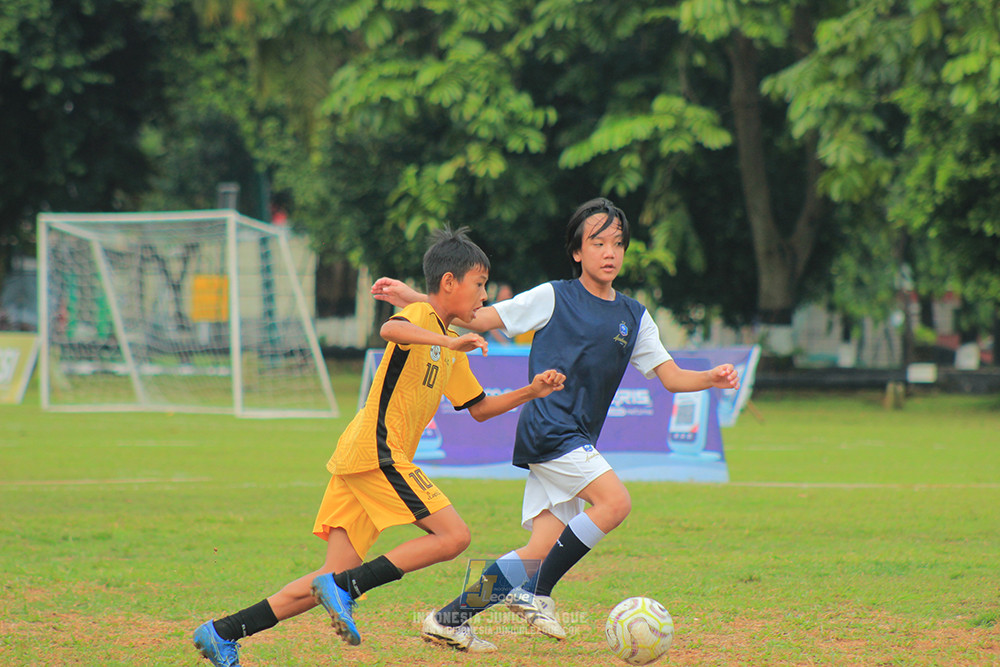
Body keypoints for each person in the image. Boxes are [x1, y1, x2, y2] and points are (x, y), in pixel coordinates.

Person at [371, 197, 740, 652]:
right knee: (615, 502)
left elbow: (671, 377)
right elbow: (476, 317)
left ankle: (448, 618)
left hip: (574, 437)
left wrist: (711, 377)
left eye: (618, 243)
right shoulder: (552, 296)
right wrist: (413, 296)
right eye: (598, 242)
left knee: (537, 550)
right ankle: (537, 592)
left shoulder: (633, 316)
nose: (609, 252)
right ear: (577, 252)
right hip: (550, 429)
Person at [193, 227, 566, 666]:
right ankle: (349, 588)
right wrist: (447, 338)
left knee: (326, 578)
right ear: (449, 283)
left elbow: (480, 408)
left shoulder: (449, 341)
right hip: (377, 451)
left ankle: (223, 632)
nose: (483, 296)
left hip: (361, 458)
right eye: (479, 284)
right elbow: (392, 328)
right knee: (454, 536)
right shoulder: (425, 317)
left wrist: (531, 391)